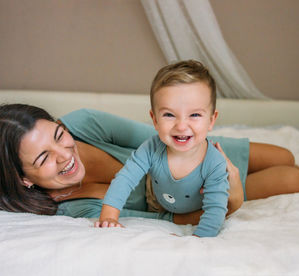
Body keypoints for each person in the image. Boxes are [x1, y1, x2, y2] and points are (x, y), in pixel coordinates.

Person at [0, 75, 299, 230]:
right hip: (192, 200)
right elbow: (162, 221)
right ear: (22, 179)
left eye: (58, 135)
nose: (64, 154)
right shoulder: (69, 208)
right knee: (293, 178)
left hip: (197, 153)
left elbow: (166, 135)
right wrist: (228, 200)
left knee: (284, 155)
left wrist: (214, 160)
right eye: (43, 158)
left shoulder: (85, 123)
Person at [96, 60, 230, 237]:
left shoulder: (214, 163)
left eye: (195, 115)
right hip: (156, 202)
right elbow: (125, 178)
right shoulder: (152, 148)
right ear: (154, 119)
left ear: (211, 120)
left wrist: (199, 239)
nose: (181, 126)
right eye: (169, 114)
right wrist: (109, 216)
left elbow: (215, 208)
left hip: (196, 211)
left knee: (224, 198)